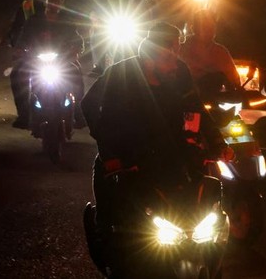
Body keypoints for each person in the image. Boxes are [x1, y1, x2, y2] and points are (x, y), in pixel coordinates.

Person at [82, 22, 234, 227]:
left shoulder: (180, 73)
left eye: (176, 53)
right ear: (148, 60)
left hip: (171, 150)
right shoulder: (121, 73)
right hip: (131, 151)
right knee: (110, 197)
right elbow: (89, 105)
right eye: (167, 57)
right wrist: (109, 152)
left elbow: (196, 108)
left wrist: (218, 144)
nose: (174, 62)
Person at [12, 0, 85, 129]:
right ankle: (24, 115)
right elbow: (22, 37)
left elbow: (77, 39)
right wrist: (19, 49)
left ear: (61, 4)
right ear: (45, 1)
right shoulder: (34, 20)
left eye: (58, 1)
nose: (54, 4)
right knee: (17, 74)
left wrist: (76, 48)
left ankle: (78, 113)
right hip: (35, 59)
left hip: (62, 60)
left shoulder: (66, 22)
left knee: (76, 76)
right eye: (51, 0)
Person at [179, 9, 242, 91]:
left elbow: (234, 80)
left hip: (212, 99)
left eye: (212, 27)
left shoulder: (220, 52)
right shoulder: (181, 50)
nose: (209, 30)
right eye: (204, 27)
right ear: (194, 28)